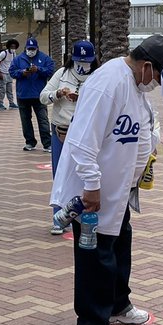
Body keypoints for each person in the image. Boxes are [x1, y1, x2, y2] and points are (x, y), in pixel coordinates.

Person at [51, 34, 163, 325]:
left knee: (119, 247)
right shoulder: (108, 83)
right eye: (159, 77)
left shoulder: (135, 86)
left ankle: (119, 304)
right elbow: (81, 142)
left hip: (118, 190)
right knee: (95, 255)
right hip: (93, 192)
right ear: (148, 66)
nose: (158, 84)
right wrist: (91, 186)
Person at [41, 39, 98, 235]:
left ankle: (84, 218)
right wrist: (58, 93)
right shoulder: (62, 74)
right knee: (60, 175)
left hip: (86, 132)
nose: (82, 65)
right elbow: (43, 96)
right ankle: (59, 218)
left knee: (86, 176)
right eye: (78, 60)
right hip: (61, 130)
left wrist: (83, 98)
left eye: (86, 61)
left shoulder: (98, 76)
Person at [9, 35, 55, 152]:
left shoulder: (45, 58)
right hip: (23, 95)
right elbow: (12, 72)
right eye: (29, 49)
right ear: (25, 48)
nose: (31, 51)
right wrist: (22, 73)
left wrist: (38, 70)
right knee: (25, 120)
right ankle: (30, 142)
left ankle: (47, 143)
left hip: (39, 95)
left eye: (33, 49)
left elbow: (50, 71)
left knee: (43, 120)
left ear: (37, 48)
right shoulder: (18, 59)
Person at [0, 39, 19, 111]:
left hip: (9, 74)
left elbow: (13, 63)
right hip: (2, 73)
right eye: (11, 47)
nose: (13, 48)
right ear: (8, 46)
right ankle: (0, 104)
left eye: (14, 47)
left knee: (9, 90)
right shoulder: (4, 53)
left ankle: (11, 103)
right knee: (2, 90)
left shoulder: (14, 54)